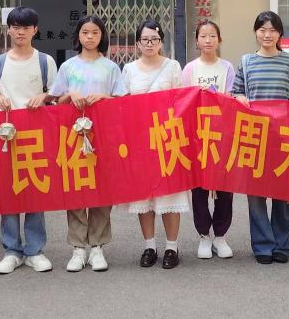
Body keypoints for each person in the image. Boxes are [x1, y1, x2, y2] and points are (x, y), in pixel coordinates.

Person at [50, 15, 126, 273]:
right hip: (72, 137)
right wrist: (69, 95)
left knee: (102, 188)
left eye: (95, 32)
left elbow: (122, 101)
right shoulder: (67, 67)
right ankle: (77, 247)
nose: (90, 37)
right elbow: (56, 100)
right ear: (78, 35)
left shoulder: (111, 68)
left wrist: (104, 97)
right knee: (75, 187)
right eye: (85, 32)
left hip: (103, 136)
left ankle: (97, 246)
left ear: (102, 36)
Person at [0, 6, 58, 275]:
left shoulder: (45, 61)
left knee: (35, 190)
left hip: (36, 135)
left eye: (26, 27)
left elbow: (55, 92)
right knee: (8, 192)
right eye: (15, 27)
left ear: (35, 30)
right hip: (6, 135)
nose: (20, 32)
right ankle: (11, 250)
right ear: (8, 30)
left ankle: (35, 250)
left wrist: (45, 96)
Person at [232, 11, 289, 265]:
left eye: (272, 30)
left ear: (280, 33)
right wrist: (240, 98)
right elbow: (236, 92)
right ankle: (263, 245)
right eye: (262, 30)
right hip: (255, 136)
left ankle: (281, 245)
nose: (267, 35)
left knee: (283, 193)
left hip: (284, 137)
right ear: (256, 33)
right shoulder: (246, 62)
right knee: (256, 195)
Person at [122, 19, 187, 270]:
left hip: (167, 138)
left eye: (155, 39)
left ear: (161, 42)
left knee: (170, 193)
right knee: (144, 197)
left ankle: (172, 247)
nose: (150, 44)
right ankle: (149, 246)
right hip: (140, 141)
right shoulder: (129, 69)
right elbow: (123, 104)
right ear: (138, 43)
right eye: (145, 39)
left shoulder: (173, 67)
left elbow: (182, 101)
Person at [182, 19, 236, 260]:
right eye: (203, 36)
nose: (208, 40)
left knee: (225, 187)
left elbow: (231, 98)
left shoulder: (227, 68)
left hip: (222, 133)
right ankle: (204, 235)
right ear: (196, 41)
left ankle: (220, 236)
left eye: (212, 36)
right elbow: (185, 101)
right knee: (199, 187)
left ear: (219, 39)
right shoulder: (190, 69)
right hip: (197, 135)